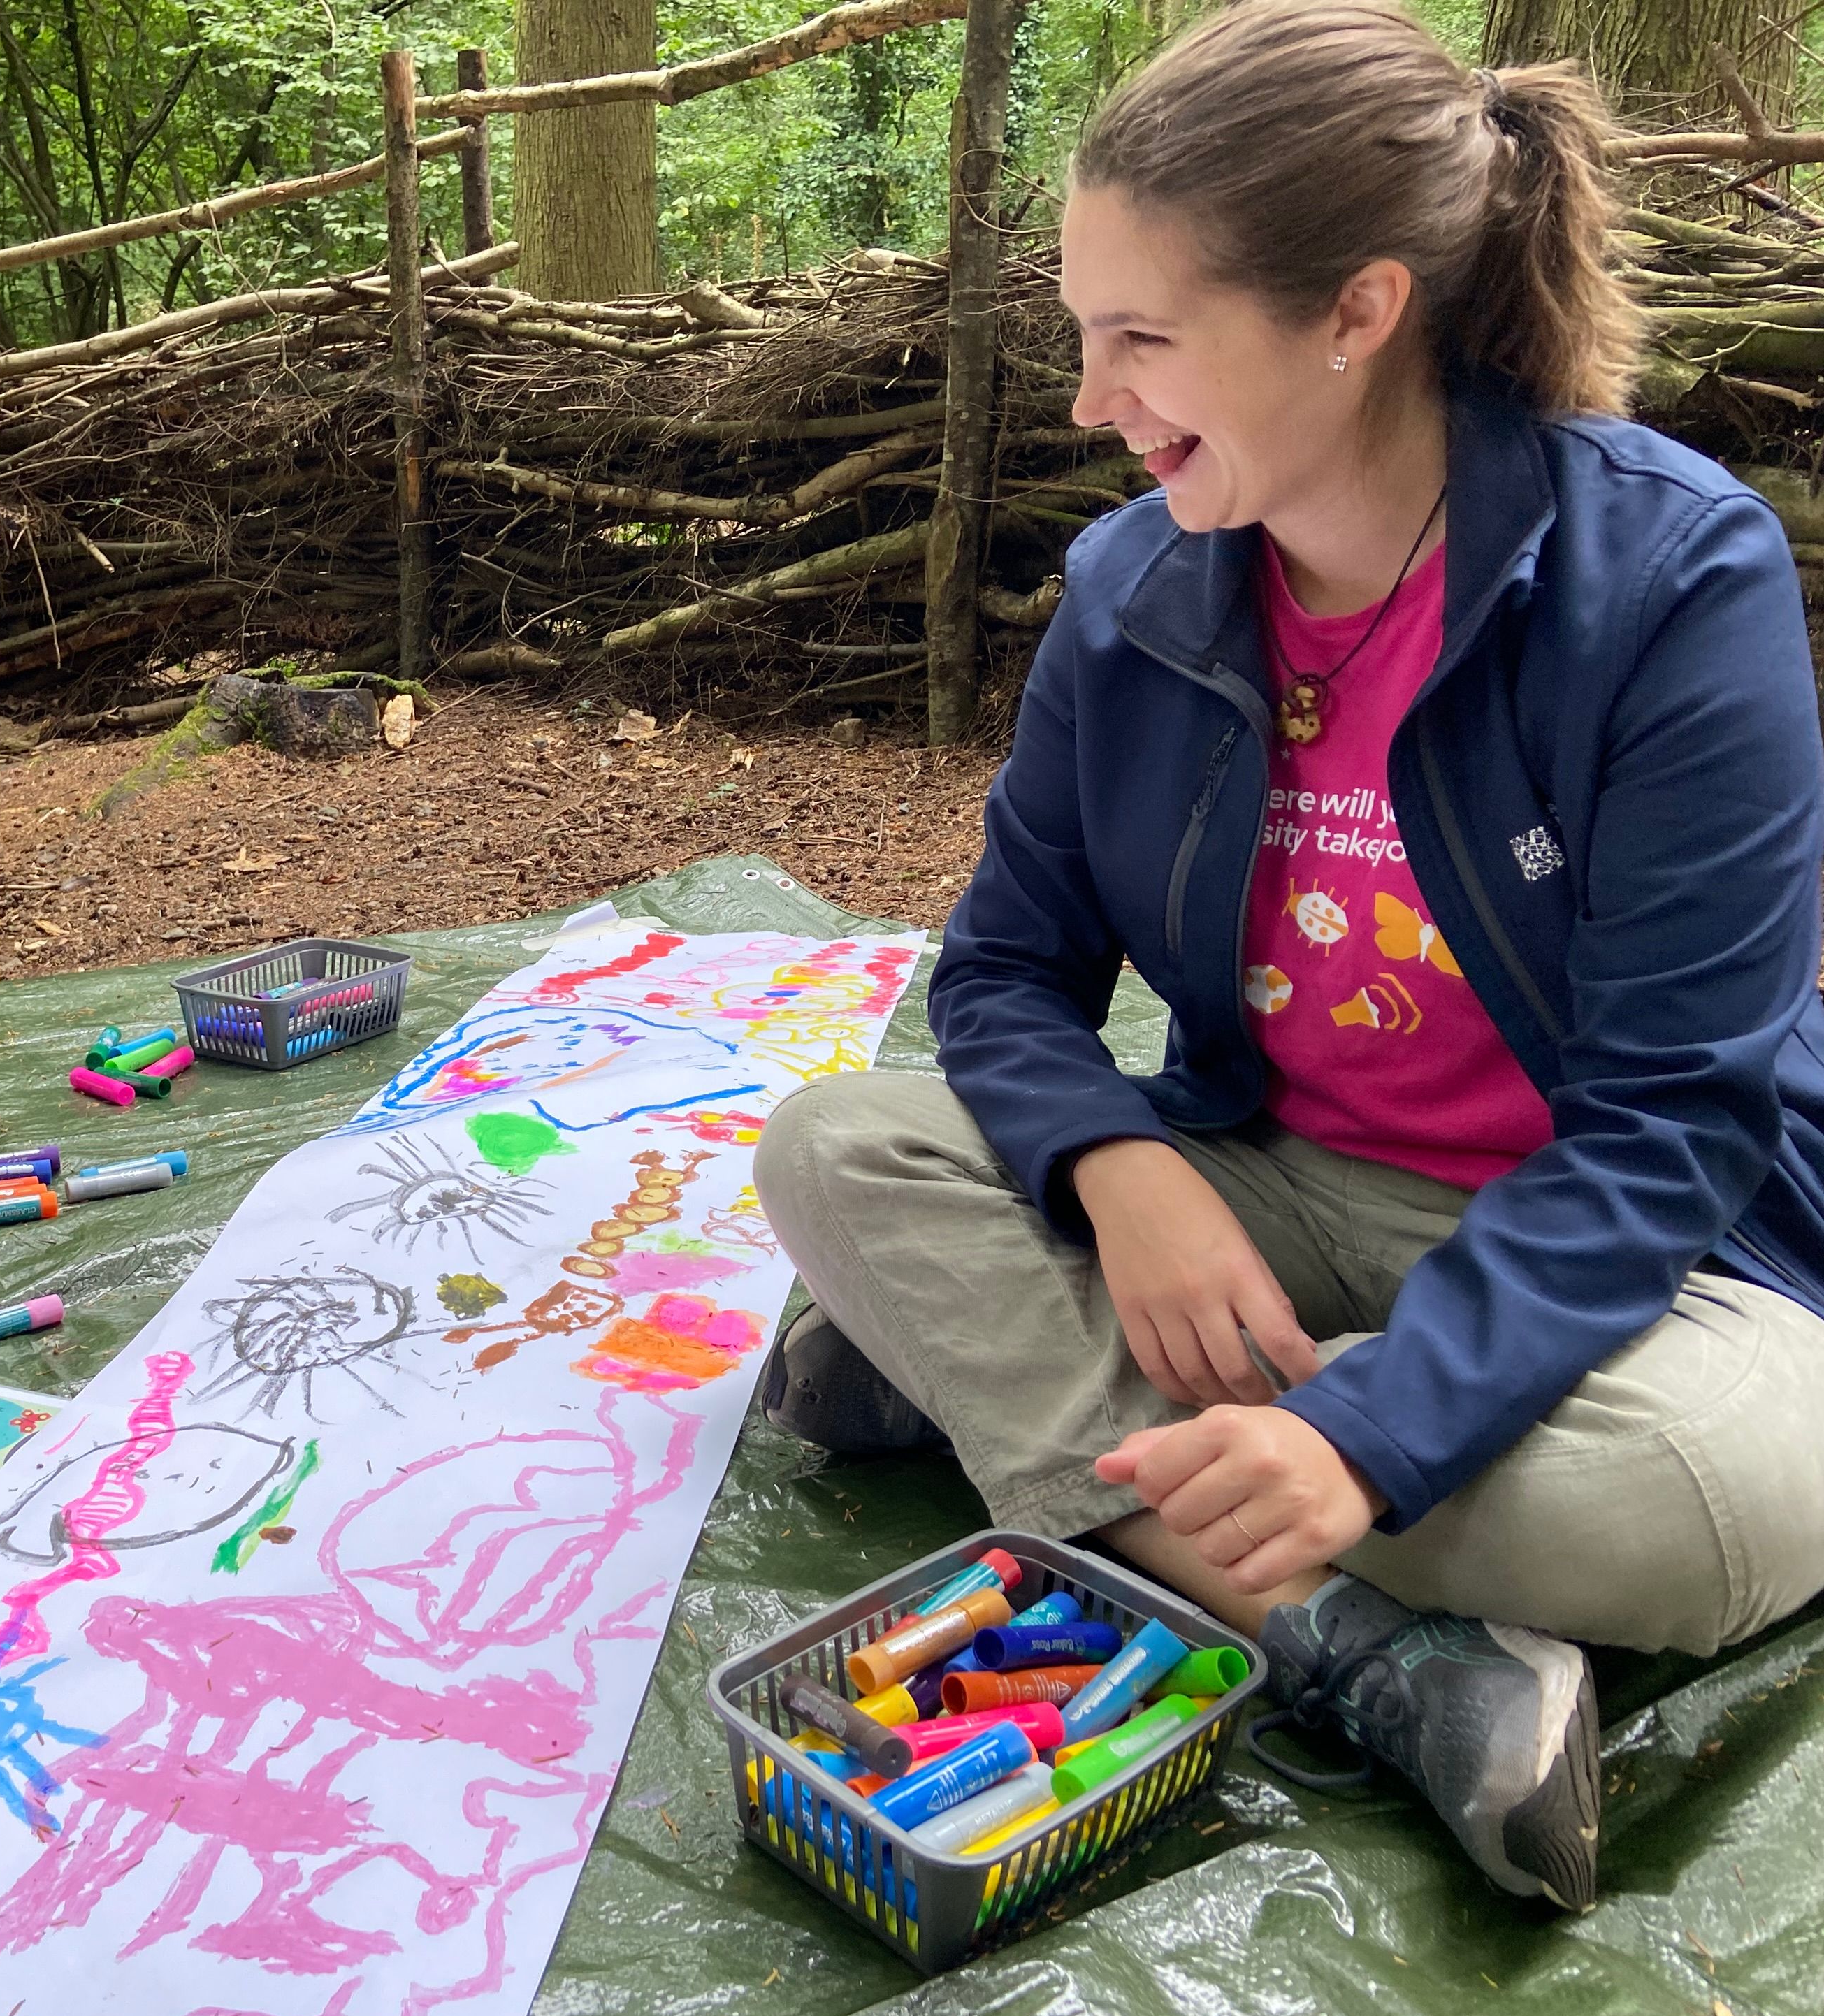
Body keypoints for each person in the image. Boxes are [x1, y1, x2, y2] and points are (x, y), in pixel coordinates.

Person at [754, 0, 1824, 1913]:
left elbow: (1673, 1127)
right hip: (1285, 1204)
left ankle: (1044, 1416)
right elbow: (1000, 977)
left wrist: (1374, 1422)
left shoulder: (1673, 582)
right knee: (833, 1151)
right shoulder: (1131, 593)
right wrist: (1121, 1167)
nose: (1092, 399)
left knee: (1707, 1500)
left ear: (1357, 314)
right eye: (1084, 332)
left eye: (1143, 337)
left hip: (1646, 1254)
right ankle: (1361, 1644)